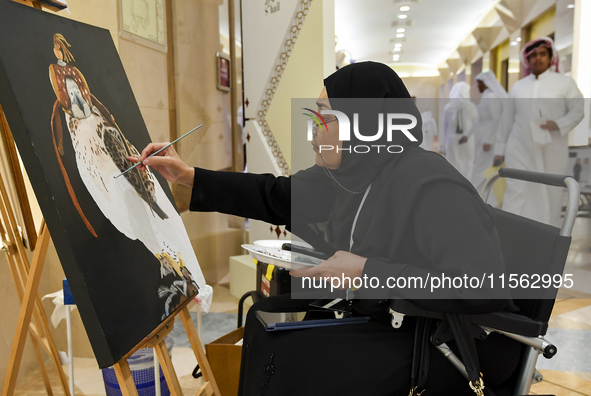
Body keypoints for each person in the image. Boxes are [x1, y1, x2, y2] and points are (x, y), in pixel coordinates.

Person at [132, 62, 520, 395]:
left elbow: (480, 284)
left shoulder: (430, 184)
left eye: (327, 117)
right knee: (263, 317)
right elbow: (276, 195)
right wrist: (188, 178)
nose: (314, 129)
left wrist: (367, 272)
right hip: (396, 317)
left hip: (445, 343)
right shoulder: (353, 173)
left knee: (295, 357)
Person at [493, 37, 584, 226]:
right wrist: (499, 151)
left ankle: (544, 239)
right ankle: (511, 234)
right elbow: (507, 120)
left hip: (551, 149)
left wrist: (558, 124)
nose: (538, 59)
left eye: (542, 54)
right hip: (519, 147)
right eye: (533, 55)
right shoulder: (518, 86)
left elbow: (579, 110)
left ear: (551, 57)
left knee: (549, 192)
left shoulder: (564, 83)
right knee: (516, 190)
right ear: (527, 59)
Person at [462, 71, 508, 200]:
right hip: (482, 140)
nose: (477, 87)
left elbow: (497, 119)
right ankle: (482, 197)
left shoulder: (492, 97)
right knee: (481, 169)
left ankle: (473, 197)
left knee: (481, 170)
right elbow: (479, 120)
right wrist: (467, 135)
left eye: (479, 84)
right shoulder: (486, 97)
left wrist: (489, 140)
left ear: (485, 83)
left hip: (489, 143)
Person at [442, 82, 478, 179]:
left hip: (452, 139)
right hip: (467, 139)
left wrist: (445, 143)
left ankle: (455, 184)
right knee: (468, 163)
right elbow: (476, 124)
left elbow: (444, 127)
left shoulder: (448, 107)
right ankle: (467, 184)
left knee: (453, 163)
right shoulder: (471, 107)